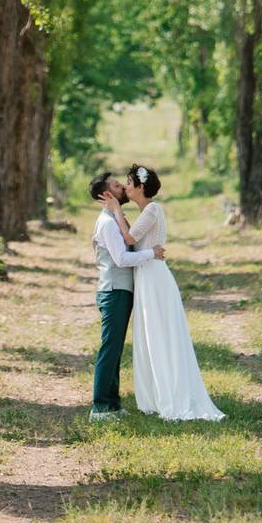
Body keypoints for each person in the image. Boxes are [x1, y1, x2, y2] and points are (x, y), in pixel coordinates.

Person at [100, 164, 225, 421]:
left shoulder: (153, 209)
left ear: (141, 187)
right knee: (149, 336)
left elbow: (130, 239)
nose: (125, 187)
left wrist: (116, 211)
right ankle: (156, 395)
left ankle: (172, 394)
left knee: (160, 334)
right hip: (145, 277)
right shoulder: (145, 211)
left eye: (129, 183)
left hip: (154, 278)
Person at [88, 172, 166, 421]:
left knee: (116, 348)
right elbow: (121, 260)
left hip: (122, 290)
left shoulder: (115, 218)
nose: (123, 187)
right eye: (117, 186)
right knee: (109, 348)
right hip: (114, 291)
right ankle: (100, 406)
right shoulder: (108, 223)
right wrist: (151, 254)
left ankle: (112, 404)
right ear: (108, 194)